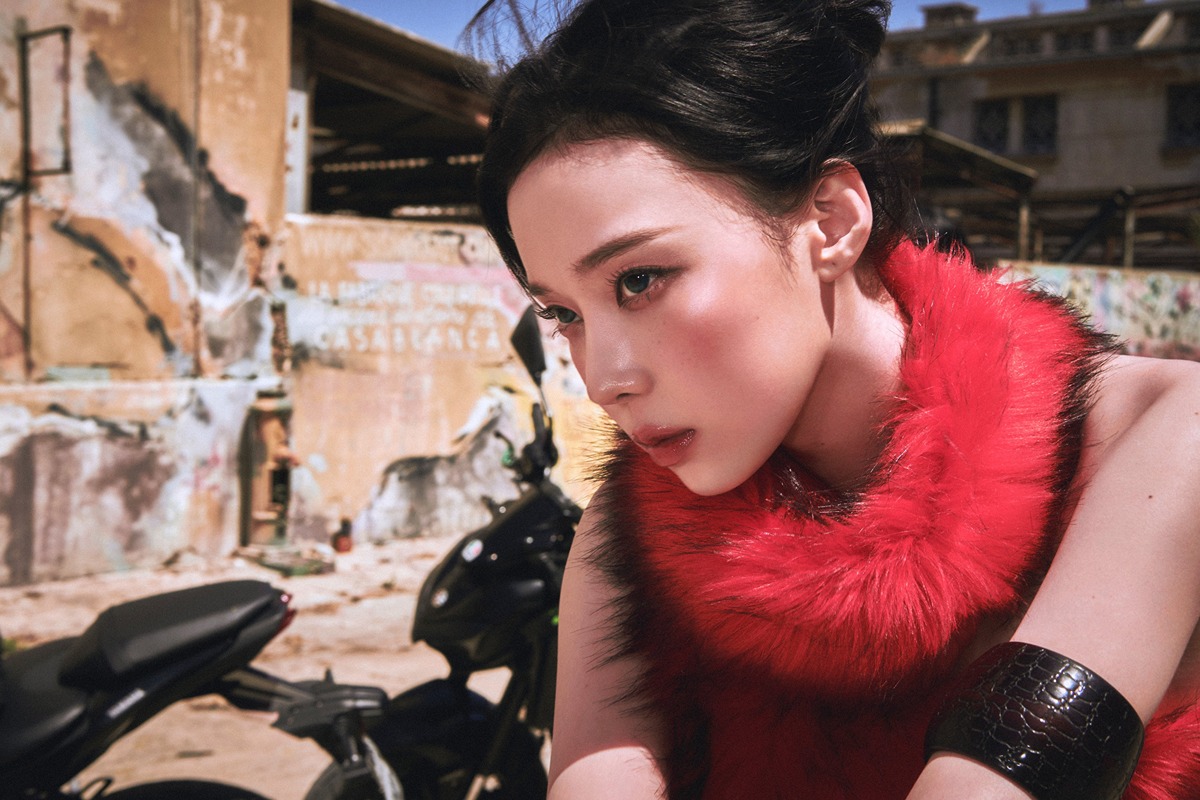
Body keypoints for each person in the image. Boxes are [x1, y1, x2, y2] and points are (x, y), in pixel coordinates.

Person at [468, 0, 1200, 797]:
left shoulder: (1156, 438)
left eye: (639, 280)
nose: (603, 378)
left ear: (831, 222)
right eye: (564, 314)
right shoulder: (630, 535)